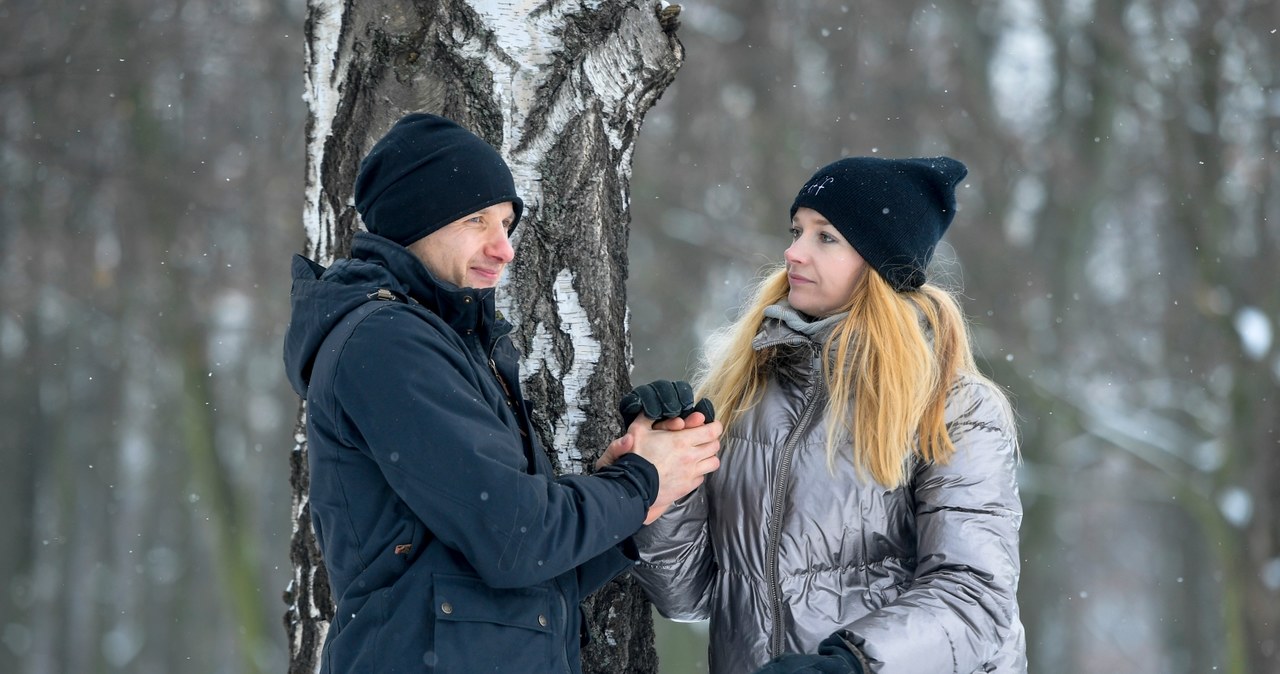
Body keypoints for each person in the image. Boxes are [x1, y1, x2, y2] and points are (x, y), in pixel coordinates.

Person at [282, 113, 722, 673]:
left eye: (507, 222)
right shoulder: (386, 343)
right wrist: (638, 483)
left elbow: (526, 574)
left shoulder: (451, 342)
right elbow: (514, 540)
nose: (504, 248)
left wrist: (639, 497)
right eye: (476, 219)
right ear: (416, 220)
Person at [621, 156, 1026, 673]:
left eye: (825, 236)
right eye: (796, 231)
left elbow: (976, 599)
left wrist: (855, 663)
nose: (793, 252)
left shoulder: (952, 407)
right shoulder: (745, 391)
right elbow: (688, 596)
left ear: (881, 263)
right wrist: (664, 474)